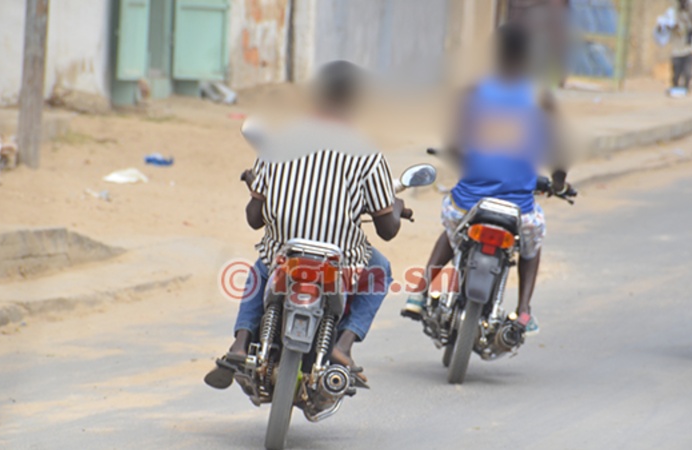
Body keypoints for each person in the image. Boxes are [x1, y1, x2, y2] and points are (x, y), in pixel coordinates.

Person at [205, 61, 408, 389]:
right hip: (339, 258)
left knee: (260, 267)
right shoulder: (368, 153)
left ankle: (240, 344)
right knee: (380, 269)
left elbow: (254, 220)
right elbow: (387, 230)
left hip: (285, 252)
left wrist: (256, 190)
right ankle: (343, 347)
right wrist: (395, 207)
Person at [401, 23, 568, 335]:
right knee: (532, 244)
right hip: (518, 209)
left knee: (451, 233)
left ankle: (421, 292)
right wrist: (558, 182)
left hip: (469, 203)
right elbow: (559, 152)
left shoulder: (473, 91)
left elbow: (452, 145)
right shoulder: (540, 96)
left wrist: (474, 167)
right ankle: (523, 311)